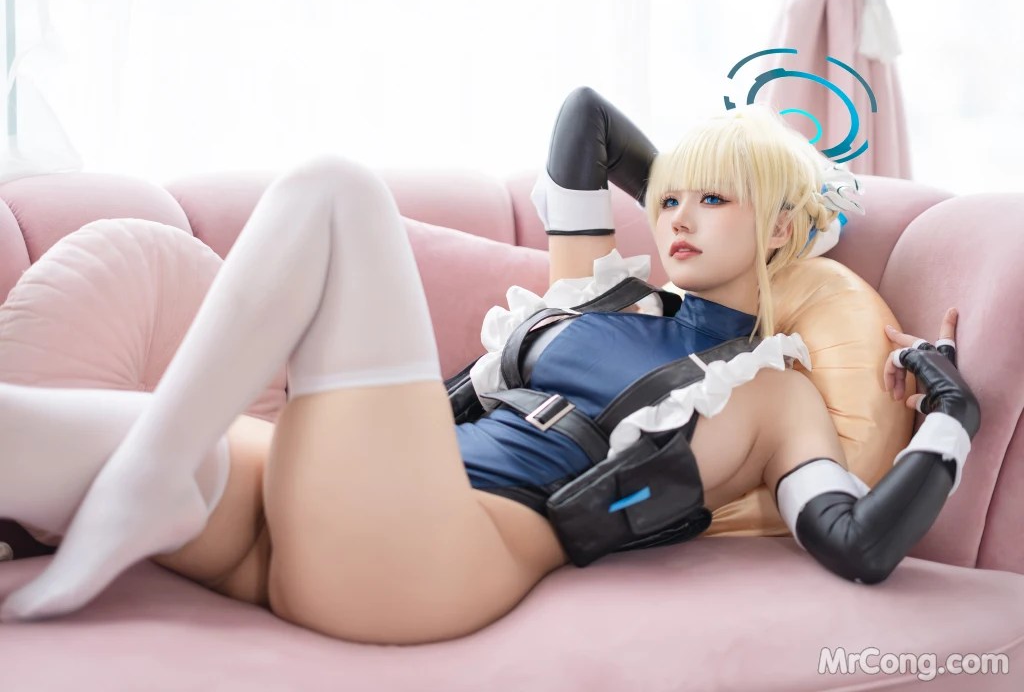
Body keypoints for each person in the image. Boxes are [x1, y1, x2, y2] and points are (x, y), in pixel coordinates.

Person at [0, 87, 979, 645]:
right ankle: (155, 478)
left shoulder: (773, 392)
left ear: (778, 230)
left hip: (429, 556)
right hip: (319, 504)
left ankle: (151, 478)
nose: (675, 218)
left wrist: (949, 412)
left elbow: (856, 543)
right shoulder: (599, 290)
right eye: (671, 200)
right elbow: (585, 121)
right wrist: (708, 184)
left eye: (710, 202)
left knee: (334, 191)